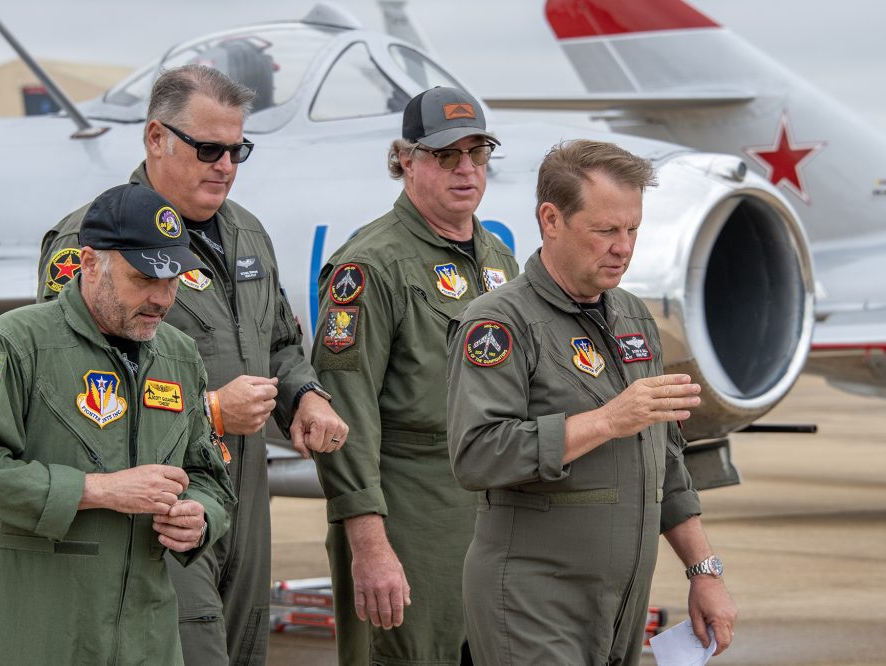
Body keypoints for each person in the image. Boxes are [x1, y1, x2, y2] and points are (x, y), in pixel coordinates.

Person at [37, 65, 348, 666]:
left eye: (238, 150)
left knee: (242, 649)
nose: (225, 165)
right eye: (209, 149)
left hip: (243, 497)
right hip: (154, 510)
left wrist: (306, 397)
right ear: (156, 138)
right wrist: (209, 410)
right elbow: (70, 388)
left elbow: (280, 340)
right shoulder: (92, 241)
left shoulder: (247, 234)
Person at [446, 139, 737, 665]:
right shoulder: (499, 323)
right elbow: (477, 454)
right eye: (605, 231)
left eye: (632, 230)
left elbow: (665, 464)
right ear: (551, 220)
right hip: (532, 604)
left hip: (620, 608)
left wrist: (704, 573)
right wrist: (606, 421)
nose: (623, 247)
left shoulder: (632, 315)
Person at [0, 183, 236, 665]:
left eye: (174, 279)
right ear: (91, 263)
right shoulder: (15, 344)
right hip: (35, 637)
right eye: (145, 278)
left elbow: (210, 477)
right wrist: (99, 490)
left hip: (146, 641)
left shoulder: (179, 356)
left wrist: (199, 517)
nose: (163, 298)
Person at [310, 87, 520, 665]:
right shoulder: (371, 265)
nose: (466, 169)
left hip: (493, 514)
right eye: (445, 155)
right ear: (405, 159)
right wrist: (370, 544)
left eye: (478, 153)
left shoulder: (499, 259)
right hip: (411, 514)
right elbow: (344, 411)